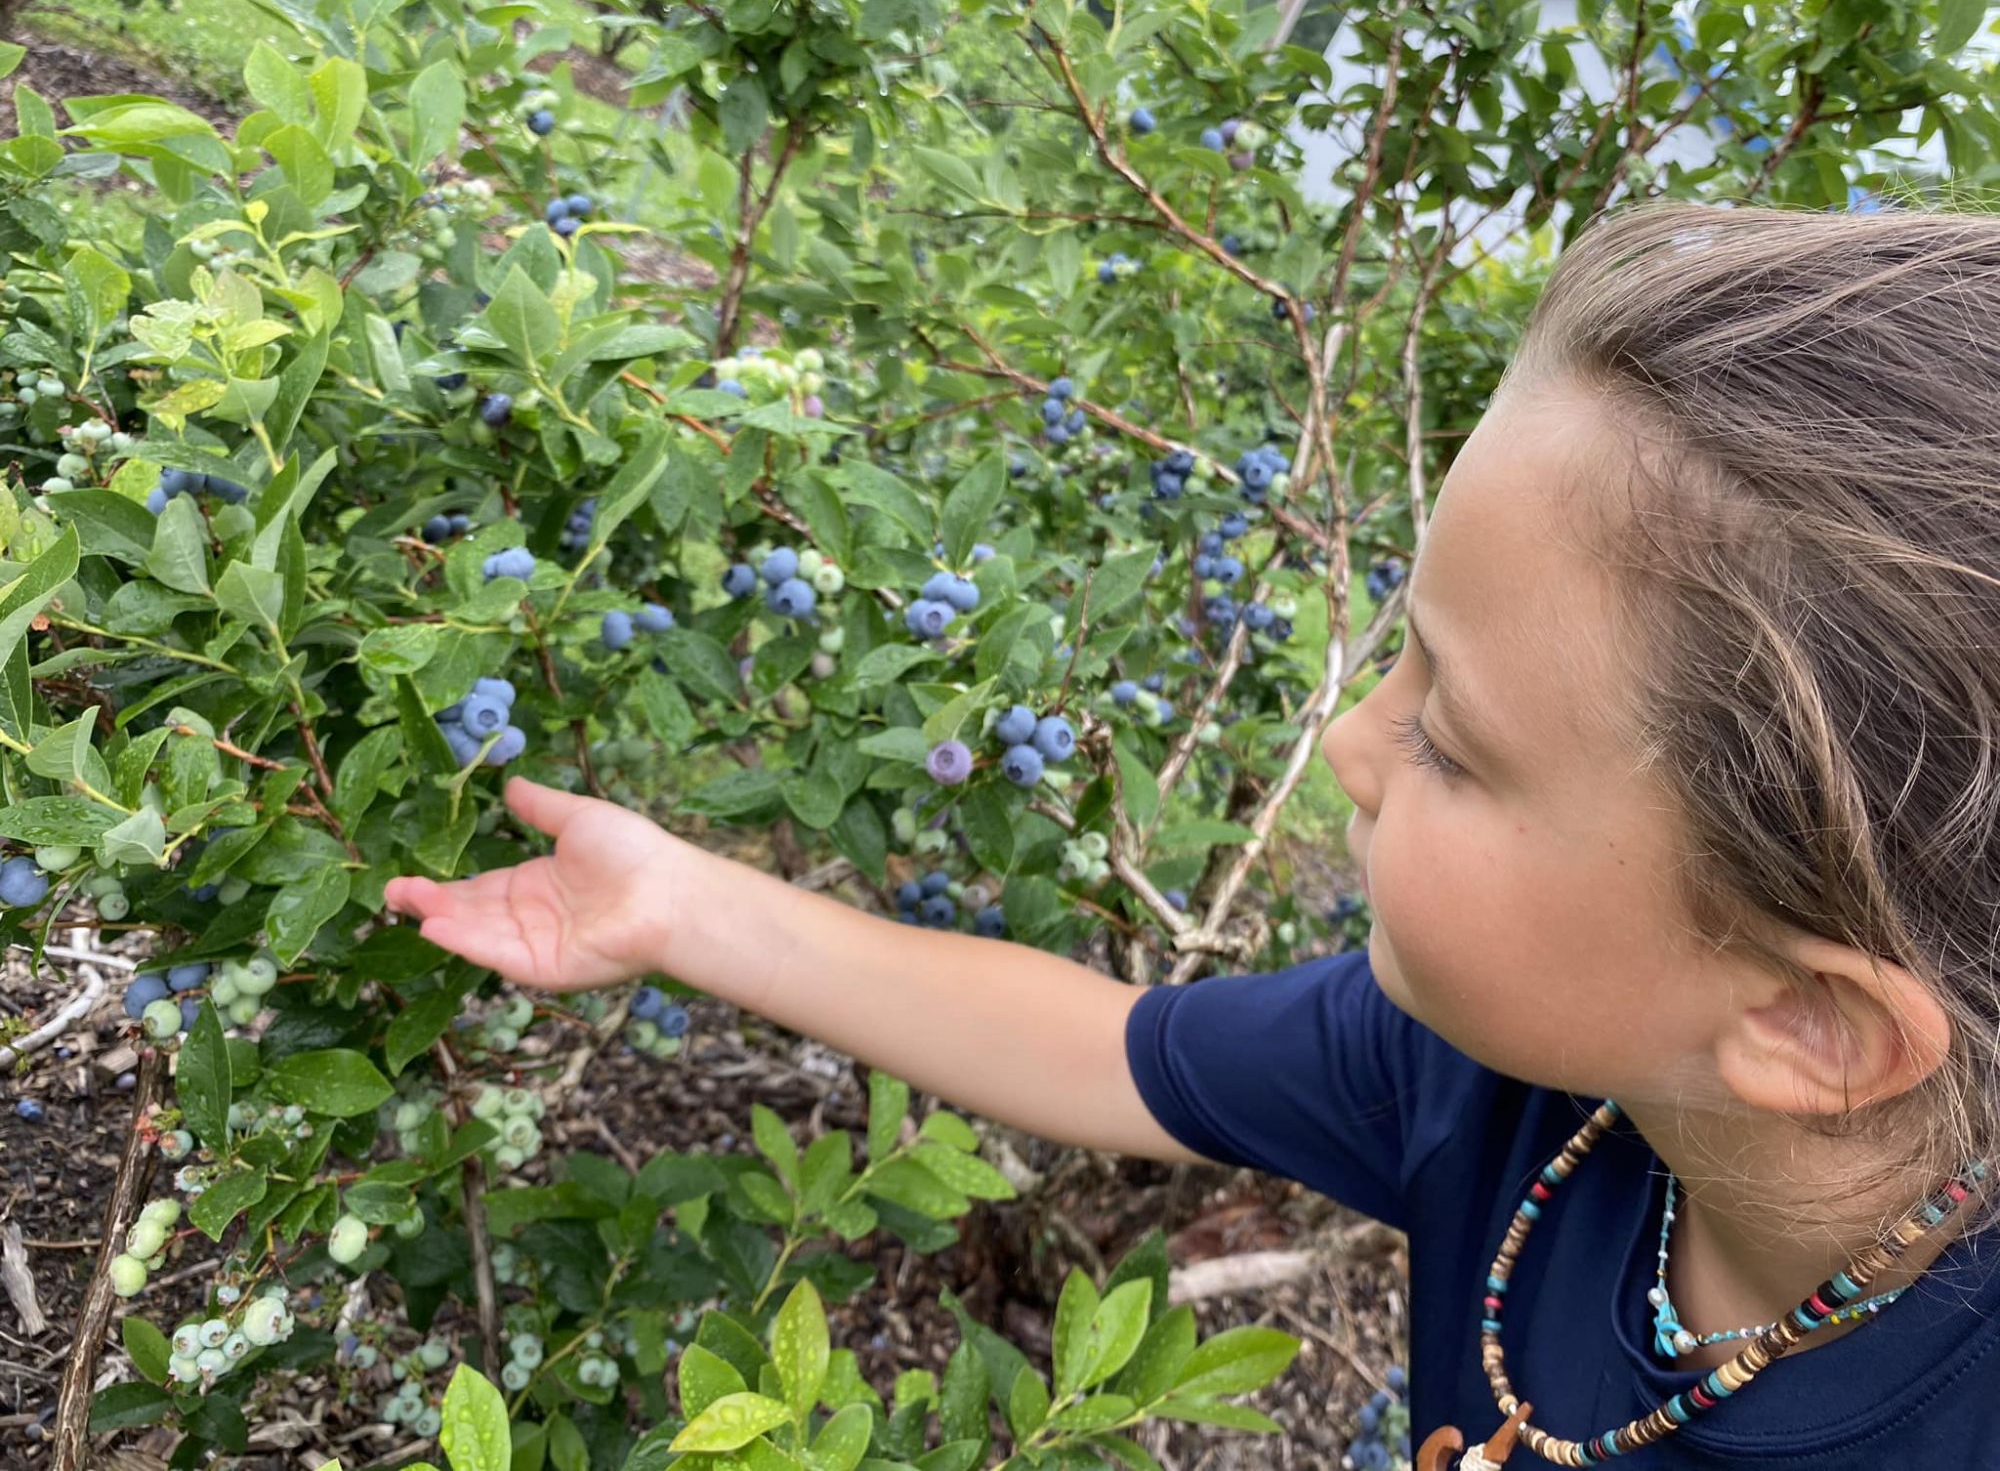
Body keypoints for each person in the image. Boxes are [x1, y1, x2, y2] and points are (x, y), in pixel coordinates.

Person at [386, 199, 2000, 1466]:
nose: (1354, 746)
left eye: (1447, 738)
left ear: (1807, 1019)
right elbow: (1115, 1052)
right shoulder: (1522, 1085)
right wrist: (676, 903)